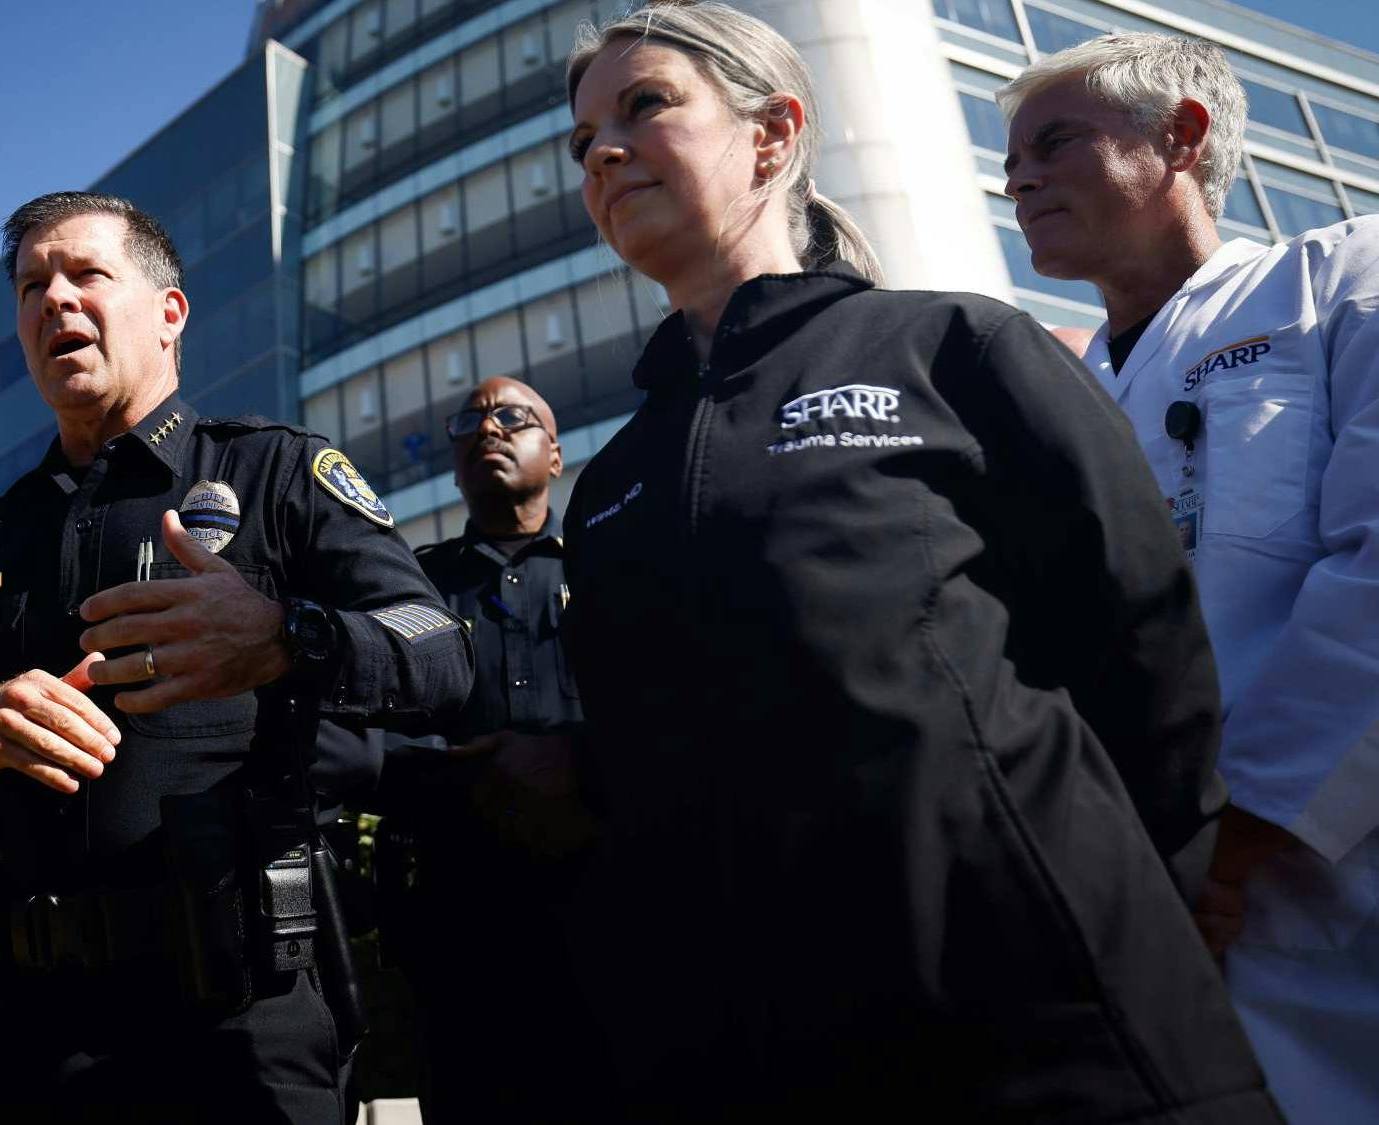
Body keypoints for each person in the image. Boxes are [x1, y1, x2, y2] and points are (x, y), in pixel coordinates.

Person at [555, 4, 1275, 1119]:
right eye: (583, 136)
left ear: (772, 135)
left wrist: (1128, 904)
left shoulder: (954, 347)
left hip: (1049, 1032)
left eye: (644, 106)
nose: (602, 150)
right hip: (750, 1060)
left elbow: (1141, 646)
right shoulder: (605, 488)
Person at [0, 190, 471, 1125]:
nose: (54, 301)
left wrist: (286, 637)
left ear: (169, 312)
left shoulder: (271, 471)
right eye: (32, 286)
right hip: (28, 1037)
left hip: (238, 1018)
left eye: (86, 274)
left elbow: (438, 650)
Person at [1001, 34, 1379, 1123]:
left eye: (1053, 141)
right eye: (1011, 155)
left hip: (1321, 879)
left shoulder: (1339, 279)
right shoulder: (1036, 391)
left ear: (1181, 135)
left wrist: (1248, 826)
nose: (1018, 176)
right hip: (1121, 909)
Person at [371, 376, 605, 1121]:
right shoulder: (412, 588)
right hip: (458, 924)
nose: (489, 430)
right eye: (469, 421)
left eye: (512, 416)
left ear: (556, 453)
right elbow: (369, 725)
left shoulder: (606, 570)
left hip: (605, 910)